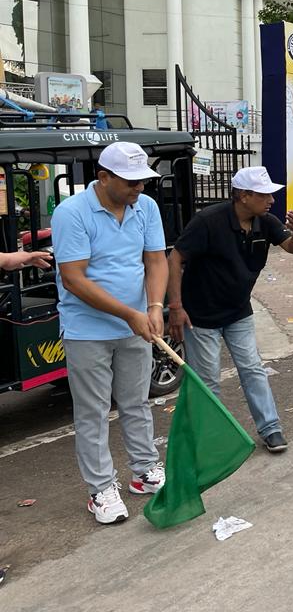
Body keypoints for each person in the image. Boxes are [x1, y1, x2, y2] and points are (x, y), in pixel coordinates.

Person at [51, 142, 168, 524]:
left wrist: (154, 306)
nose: (139, 188)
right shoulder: (71, 212)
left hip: (136, 323)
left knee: (136, 402)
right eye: (131, 182)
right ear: (103, 177)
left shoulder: (145, 207)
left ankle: (144, 471)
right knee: (93, 412)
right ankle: (100, 489)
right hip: (88, 330)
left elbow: (156, 261)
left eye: (142, 181)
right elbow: (73, 278)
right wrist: (128, 313)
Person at [167, 167, 293, 453]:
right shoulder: (208, 221)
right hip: (201, 315)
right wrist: (176, 306)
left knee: (253, 369)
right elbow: (175, 258)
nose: (271, 200)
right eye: (264, 195)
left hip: (238, 310)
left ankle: (271, 428)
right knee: (208, 381)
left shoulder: (265, 222)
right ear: (244, 196)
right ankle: (208, 440)